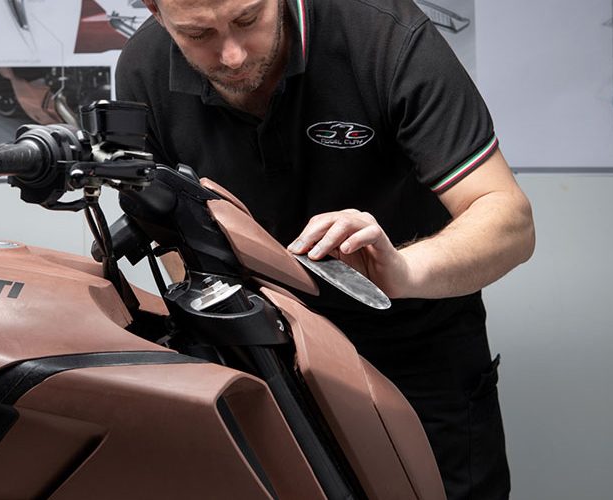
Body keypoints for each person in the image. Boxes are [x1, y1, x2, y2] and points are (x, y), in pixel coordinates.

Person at [115, 0, 535, 498]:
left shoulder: (385, 36)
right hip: (265, 353)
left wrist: (403, 270)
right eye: (198, 34)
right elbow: (168, 227)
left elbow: (509, 220)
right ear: (155, 10)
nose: (231, 55)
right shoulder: (143, 66)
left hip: (413, 345)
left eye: (248, 20)